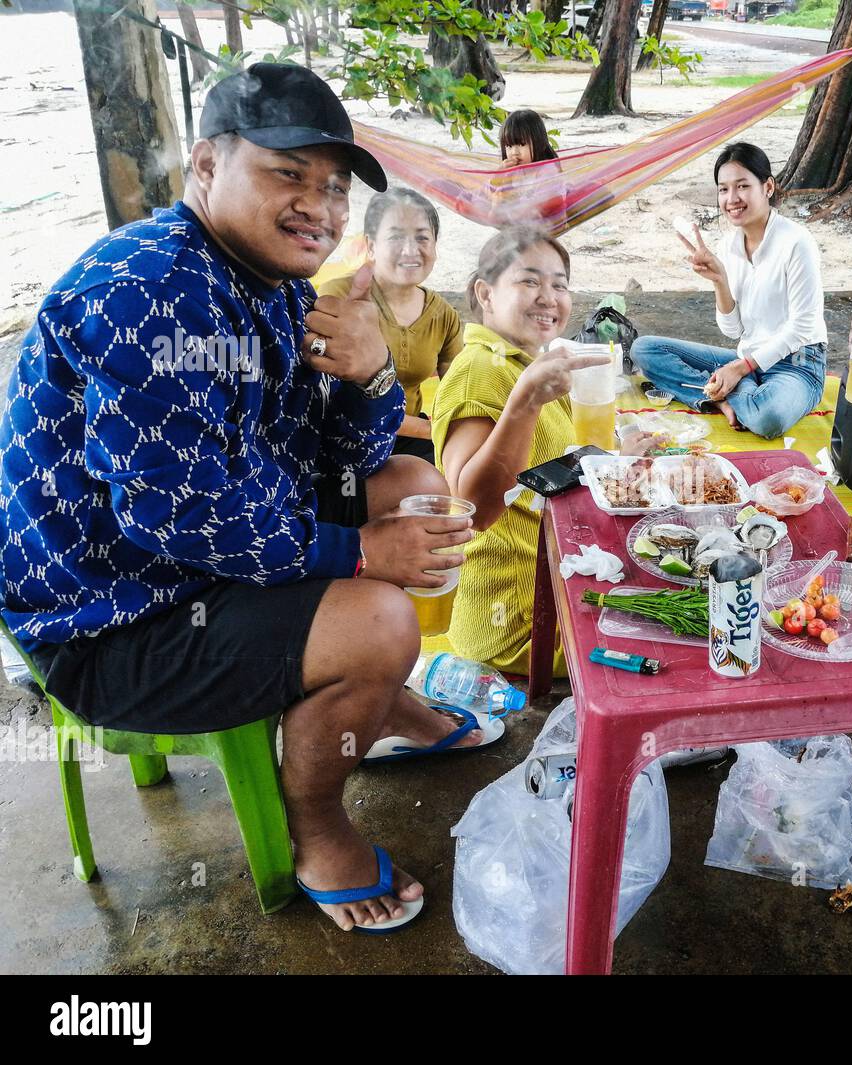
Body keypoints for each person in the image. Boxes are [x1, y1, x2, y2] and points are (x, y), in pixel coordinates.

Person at [0, 63, 497, 935]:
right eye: (287, 173)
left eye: (334, 187)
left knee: (416, 487)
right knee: (381, 613)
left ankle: (380, 704)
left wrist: (372, 373)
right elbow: (172, 513)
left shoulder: (268, 286)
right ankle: (318, 829)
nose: (321, 206)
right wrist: (355, 553)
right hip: (113, 621)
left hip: (186, 561)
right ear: (204, 166)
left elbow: (340, 453)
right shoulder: (153, 290)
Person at [431, 227, 651, 674]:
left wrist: (617, 455)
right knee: (691, 629)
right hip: (518, 619)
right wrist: (526, 403)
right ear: (485, 293)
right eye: (529, 281)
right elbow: (474, 510)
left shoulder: (532, 361)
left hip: (561, 573)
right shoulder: (480, 372)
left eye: (559, 284)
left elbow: (553, 464)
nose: (549, 297)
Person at [631, 142, 827, 439]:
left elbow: (802, 327)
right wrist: (720, 281)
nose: (732, 198)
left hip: (796, 366)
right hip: (746, 361)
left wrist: (740, 369)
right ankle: (721, 398)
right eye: (723, 189)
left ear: (768, 187)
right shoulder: (729, 246)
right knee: (644, 349)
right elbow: (733, 330)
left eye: (742, 186)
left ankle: (728, 390)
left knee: (766, 418)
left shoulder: (796, 242)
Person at [317, 188, 461, 463]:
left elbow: (456, 394)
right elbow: (326, 398)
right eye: (396, 237)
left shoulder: (444, 314)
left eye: (422, 238)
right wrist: (433, 430)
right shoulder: (338, 297)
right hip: (349, 438)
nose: (410, 250)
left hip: (414, 439)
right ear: (371, 245)